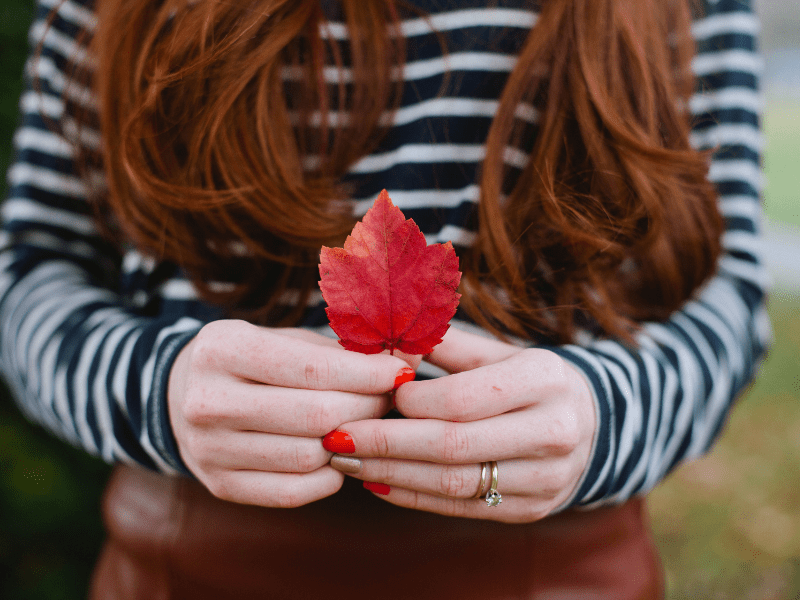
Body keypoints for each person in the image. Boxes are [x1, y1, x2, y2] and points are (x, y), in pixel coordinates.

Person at [0, 0, 770, 598]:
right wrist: (154, 388)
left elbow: (727, 293)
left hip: (556, 566)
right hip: (190, 559)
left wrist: (607, 417)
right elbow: (34, 268)